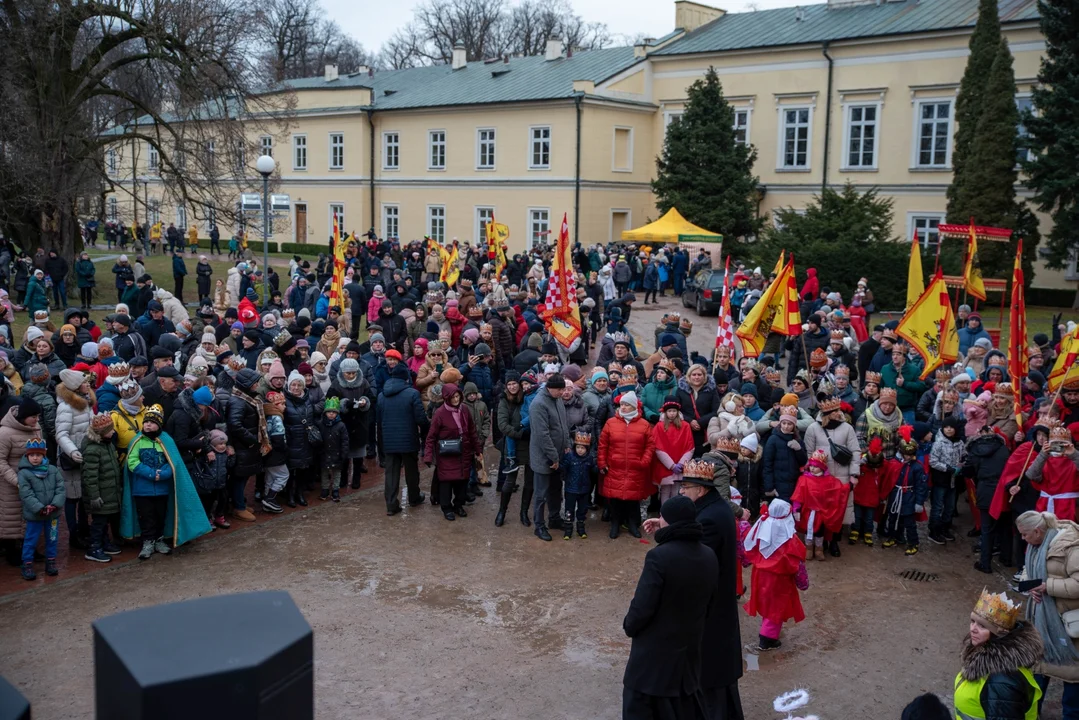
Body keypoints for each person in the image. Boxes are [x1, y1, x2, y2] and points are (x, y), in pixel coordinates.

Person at [622, 495, 718, 720]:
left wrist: (630, 626)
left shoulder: (659, 557)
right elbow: (710, 604)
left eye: (661, 516)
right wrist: (665, 525)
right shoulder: (708, 555)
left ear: (669, 521)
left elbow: (642, 607)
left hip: (652, 665)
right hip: (686, 663)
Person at [1016, 510, 1079, 716]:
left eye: (1025, 534)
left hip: (1067, 626)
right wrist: (1031, 588)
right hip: (1041, 623)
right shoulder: (1036, 546)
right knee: (1037, 677)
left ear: (1037, 531)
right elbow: (1028, 570)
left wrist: (1047, 587)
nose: (1022, 539)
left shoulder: (1071, 547)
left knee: (1072, 685)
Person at [954, 586, 1043, 720]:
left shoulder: (1002, 681)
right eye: (973, 622)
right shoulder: (981, 656)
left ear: (998, 634)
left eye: (982, 626)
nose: (973, 629)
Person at [743, 498, 808, 650]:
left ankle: (767, 633)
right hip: (780, 579)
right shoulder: (791, 540)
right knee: (776, 607)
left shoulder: (761, 529)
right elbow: (798, 563)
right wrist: (803, 583)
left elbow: (749, 548)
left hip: (760, 575)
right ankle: (767, 638)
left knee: (766, 602)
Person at [599, 391, 655, 540]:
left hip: (635, 468)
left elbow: (650, 445)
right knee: (615, 499)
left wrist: (644, 461)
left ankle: (632, 524)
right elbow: (603, 445)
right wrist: (602, 462)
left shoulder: (644, 425)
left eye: (627, 405)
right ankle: (615, 524)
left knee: (633, 499)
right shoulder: (611, 423)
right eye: (621, 404)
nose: (623, 407)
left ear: (634, 406)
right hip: (614, 467)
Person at [424, 382, 480, 521]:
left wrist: (477, 449)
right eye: (453, 397)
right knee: (446, 483)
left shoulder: (465, 410)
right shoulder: (440, 413)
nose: (456, 399)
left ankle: (458, 505)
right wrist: (428, 455)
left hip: (464, 452)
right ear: (446, 398)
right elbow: (431, 436)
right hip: (447, 454)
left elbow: (472, 431)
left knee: (462, 481)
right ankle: (446, 508)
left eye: (457, 396)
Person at [377, 363, 427, 515]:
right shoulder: (412, 394)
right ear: (406, 378)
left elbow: (379, 420)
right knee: (412, 471)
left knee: (391, 473)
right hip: (408, 439)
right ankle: (414, 497)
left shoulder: (381, 395)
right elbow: (420, 419)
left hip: (389, 440)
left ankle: (391, 505)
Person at [0, 399, 44, 567]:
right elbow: (1, 461)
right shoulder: (4, 433)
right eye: (33, 416)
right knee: (10, 517)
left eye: (38, 416)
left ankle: (30, 548)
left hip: (32, 481)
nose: (37, 420)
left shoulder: (36, 430)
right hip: (10, 483)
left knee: (29, 516)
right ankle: (12, 552)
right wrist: (17, 481)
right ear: (24, 416)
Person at [529, 373, 570, 540]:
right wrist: (554, 457)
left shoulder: (557, 399)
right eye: (559, 390)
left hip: (558, 456)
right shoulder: (538, 404)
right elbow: (542, 435)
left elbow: (563, 425)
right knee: (541, 494)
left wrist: (567, 445)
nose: (562, 392)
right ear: (549, 388)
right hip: (544, 458)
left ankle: (554, 518)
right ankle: (539, 525)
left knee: (555, 490)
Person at [17, 438, 63, 580]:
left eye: (38, 455)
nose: (35, 458)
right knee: (31, 539)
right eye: (32, 455)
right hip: (35, 515)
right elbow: (26, 494)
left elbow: (60, 488)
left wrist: (55, 504)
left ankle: (50, 561)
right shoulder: (24, 473)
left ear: (44, 455)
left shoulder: (53, 470)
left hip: (52, 514)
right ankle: (27, 563)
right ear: (27, 456)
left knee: (52, 538)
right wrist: (39, 508)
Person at [80, 413, 123, 563]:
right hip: (100, 495)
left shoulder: (108, 444)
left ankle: (104, 543)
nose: (113, 432)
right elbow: (90, 477)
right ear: (102, 433)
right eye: (110, 430)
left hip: (109, 492)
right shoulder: (93, 450)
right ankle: (94, 547)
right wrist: (94, 496)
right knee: (98, 522)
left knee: (105, 521)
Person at [792, 449, 848, 561]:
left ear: (822, 467)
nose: (812, 468)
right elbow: (798, 495)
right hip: (808, 512)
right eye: (811, 465)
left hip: (821, 513)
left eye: (815, 466)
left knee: (819, 532)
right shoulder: (804, 479)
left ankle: (819, 549)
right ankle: (808, 548)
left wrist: (849, 486)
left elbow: (838, 489)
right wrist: (796, 509)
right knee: (808, 531)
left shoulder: (829, 480)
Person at [881, 426, 929, 556]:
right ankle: (893, 537)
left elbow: (921, 486)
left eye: (910, 454)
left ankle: (913, 543)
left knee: (909, 522)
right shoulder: (894, 462)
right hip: (895, 495)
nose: (908, 457)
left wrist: (919, 502)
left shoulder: (918, 467)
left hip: (909, 496)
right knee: (892, 518)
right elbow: (888, 479)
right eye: (905, 454)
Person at [650, 397, 694, 504]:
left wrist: (681, 464)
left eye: (674, 411)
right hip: (665, 465)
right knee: (665, 491)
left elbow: (690, 446)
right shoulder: (659, 427)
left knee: (677, 490)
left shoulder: (685, 426)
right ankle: (664, 513)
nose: (672, 414)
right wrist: (671, 465)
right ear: (665, 412)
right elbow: (658, 448)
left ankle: (674, 513)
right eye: (669, 411)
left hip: (680, 464)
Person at [561, 429, 594, 540]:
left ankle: (581, 528)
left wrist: (600, 468)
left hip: (584, 490)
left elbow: (594, 470)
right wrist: (556, 465)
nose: (580, 450)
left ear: (587, 449)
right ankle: (568, 529)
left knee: (582, 510)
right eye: (578, 447)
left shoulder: (589, 459)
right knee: (569, 510)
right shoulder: (570, 457)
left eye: (583, 448)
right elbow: (563, 467)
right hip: (571, 489)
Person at [319, 397, 350, 502]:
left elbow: (345, 441)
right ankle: (325, 489)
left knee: (337, 473)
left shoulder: (341, 425)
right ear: (325, 413)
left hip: (337, 453)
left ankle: (335, 489)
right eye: (329, 412)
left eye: (334, 412)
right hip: (324, 453)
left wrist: (343, 454)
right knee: (324, 472)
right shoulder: (321, 424)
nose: (331, 414)